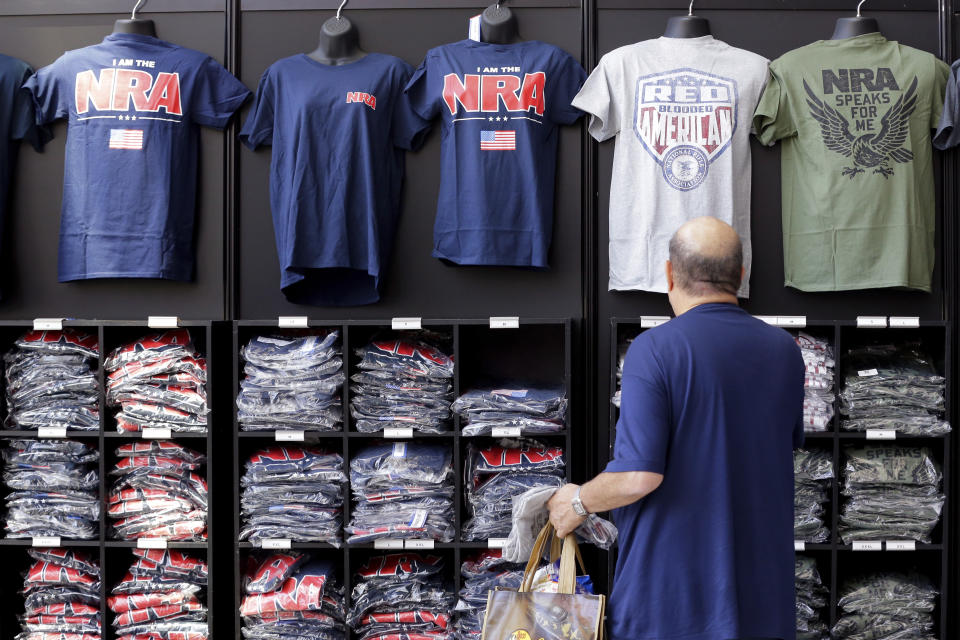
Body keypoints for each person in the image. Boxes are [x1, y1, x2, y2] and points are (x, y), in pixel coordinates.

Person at [548, 216, 804, 640]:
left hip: (671, 604)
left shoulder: (655, 349)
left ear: (669, 273)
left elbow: (637, 475)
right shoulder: (785, 351)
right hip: (761, 599)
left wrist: (576, 501)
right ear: (741, 275)